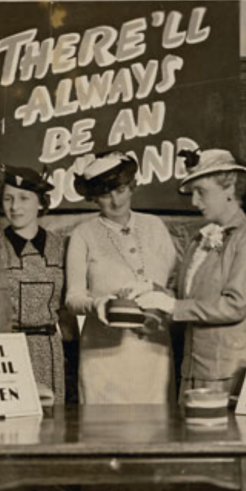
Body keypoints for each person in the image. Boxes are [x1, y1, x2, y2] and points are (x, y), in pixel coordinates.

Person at [137, 149, 246, 401]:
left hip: (229, 371)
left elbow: (235, 306)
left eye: (202, 192)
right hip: (193, 367)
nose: (194, 202)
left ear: (229, 187)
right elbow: (185, 297)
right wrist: (152, 291)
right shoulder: (200, 238)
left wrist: (172, 304)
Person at [65, 152, 178, 404]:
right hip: (103, 354)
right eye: (105, 195)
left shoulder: (155, 226)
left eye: (121, 189)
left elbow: (175, 285)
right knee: (105, 433)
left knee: (156, 433)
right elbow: (72, 298)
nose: (115, 201)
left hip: (154, 351)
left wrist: (161, 295)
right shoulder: (83, 234)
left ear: (131, 186)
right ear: (94, 198)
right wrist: (97, 304)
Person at [0, 165, 71, 404]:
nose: (15, 206)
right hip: (5, 349)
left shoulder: (61, 246)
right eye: (8, 198)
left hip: (49, 350)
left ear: (41, 203)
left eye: (23, 198)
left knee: (51, 425)